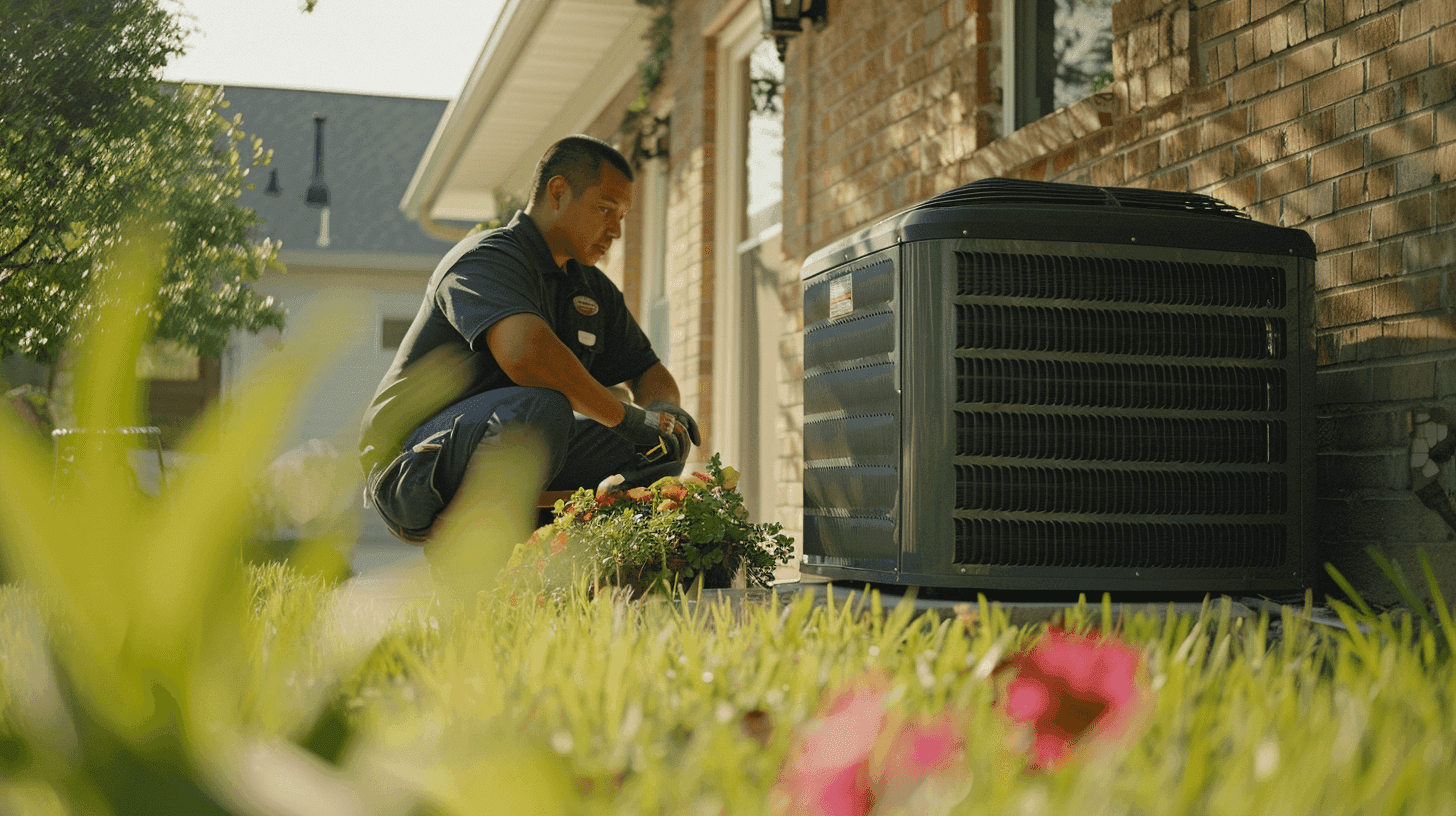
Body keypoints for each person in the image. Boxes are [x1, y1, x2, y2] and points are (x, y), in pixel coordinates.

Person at [359, 134, 699, 545]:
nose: (616, 230)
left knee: (663, 441)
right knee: (544, 405)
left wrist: (661, 412)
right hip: (411, 467)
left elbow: (650, 372)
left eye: (623, 215)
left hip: (518, 436)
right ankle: (472, 568)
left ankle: (594, 560)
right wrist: (627, 418)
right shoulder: (486, 258)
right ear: (558, 192)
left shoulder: (590, 288)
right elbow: (527, 357)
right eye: (605, 209)